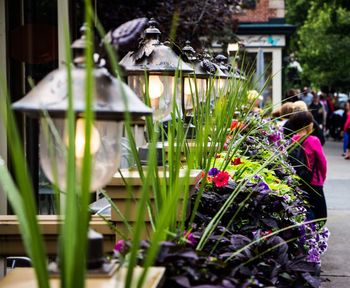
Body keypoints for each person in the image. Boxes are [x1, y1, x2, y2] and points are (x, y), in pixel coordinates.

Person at [289, 111, 327, 223]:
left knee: (305, 210)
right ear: (308, 124)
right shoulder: (313, 140)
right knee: (321, 216)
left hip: (298, 181)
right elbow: (322, 163)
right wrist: (322, 178)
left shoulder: (292, 139)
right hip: (314, 181)